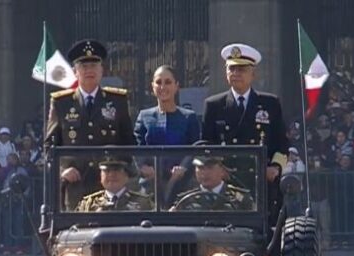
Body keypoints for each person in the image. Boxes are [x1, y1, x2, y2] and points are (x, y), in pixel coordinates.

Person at [201, 43, 288, 221]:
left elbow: (282, 144)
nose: (235, 74)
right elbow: (205, 145)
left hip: (261, 183)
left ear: (253, 74)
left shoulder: (270, 104)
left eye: (241, 69)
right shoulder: (214, 105)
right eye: (231, 69)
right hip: (226, 184)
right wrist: (217, 169)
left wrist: (275, 168)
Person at [46, 39, 135, 209]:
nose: (89, 71)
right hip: (76, 185)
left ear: (102, 70)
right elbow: (49, 146)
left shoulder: (117, 101)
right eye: (84, 66)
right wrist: (63, 169)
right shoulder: (61, 103)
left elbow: (128, 142)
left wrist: (120, 171)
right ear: (75, 71)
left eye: (94, 66)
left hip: (110, 185)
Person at [135, 65, 201, 201]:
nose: (163, 87)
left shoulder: (189, 117)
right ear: (152, 86)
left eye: (168, 82)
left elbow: (195, 148)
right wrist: (142, 167)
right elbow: (137, 147)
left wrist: (183, 167)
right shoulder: (144, 116)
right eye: (158, 82)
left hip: (183, 185)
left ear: (177, 86)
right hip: (150, 185)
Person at [170, 155, 253, 211]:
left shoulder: (240, 199)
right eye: (200, 168)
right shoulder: (185, 200)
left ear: (222, 170)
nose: (205, 173)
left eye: (210, 168)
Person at [76, 156, 153, 212]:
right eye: (107, 171)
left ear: (126, 175)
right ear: (101, 176)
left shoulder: (144, 203)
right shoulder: (88, 204)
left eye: (117, 170)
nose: (111, 175)